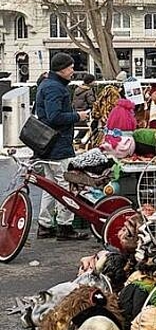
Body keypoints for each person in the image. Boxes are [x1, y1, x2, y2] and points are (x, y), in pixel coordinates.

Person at [34, 52, 90, 241]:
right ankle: (65, 227)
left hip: (48, 146)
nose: (73, 71)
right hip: (58, 146)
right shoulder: (55, 88)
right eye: (71, 67)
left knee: (50, 187)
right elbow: (54, 117)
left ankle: (45, 225)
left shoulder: (47, 84)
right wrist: (77, 116)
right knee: (66, 185)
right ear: (62, 69)